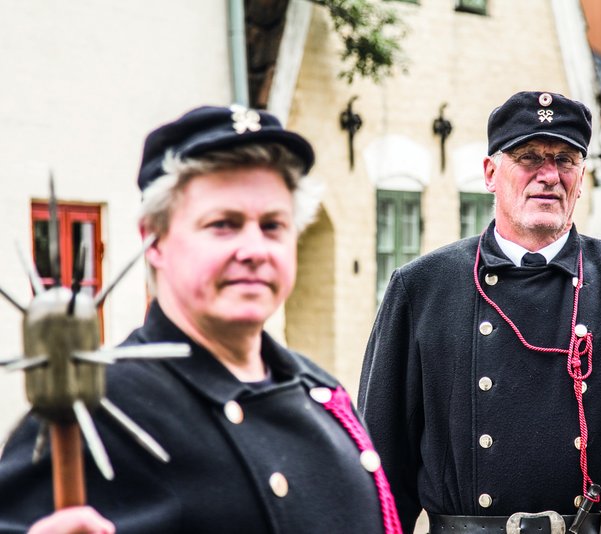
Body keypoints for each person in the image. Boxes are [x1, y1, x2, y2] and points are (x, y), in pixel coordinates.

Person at [358, 91, 601, 534]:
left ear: (581, 179)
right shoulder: (423, 288)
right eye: (528, 157)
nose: (549, 175)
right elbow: (382, 458)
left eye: (565, 160)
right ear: (490, 173)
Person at [0, 105, 401, 533]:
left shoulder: (321, 393)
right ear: (153, 240)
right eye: (224, 224)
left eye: (272, 226)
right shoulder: (96, 408)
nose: (254, 250)